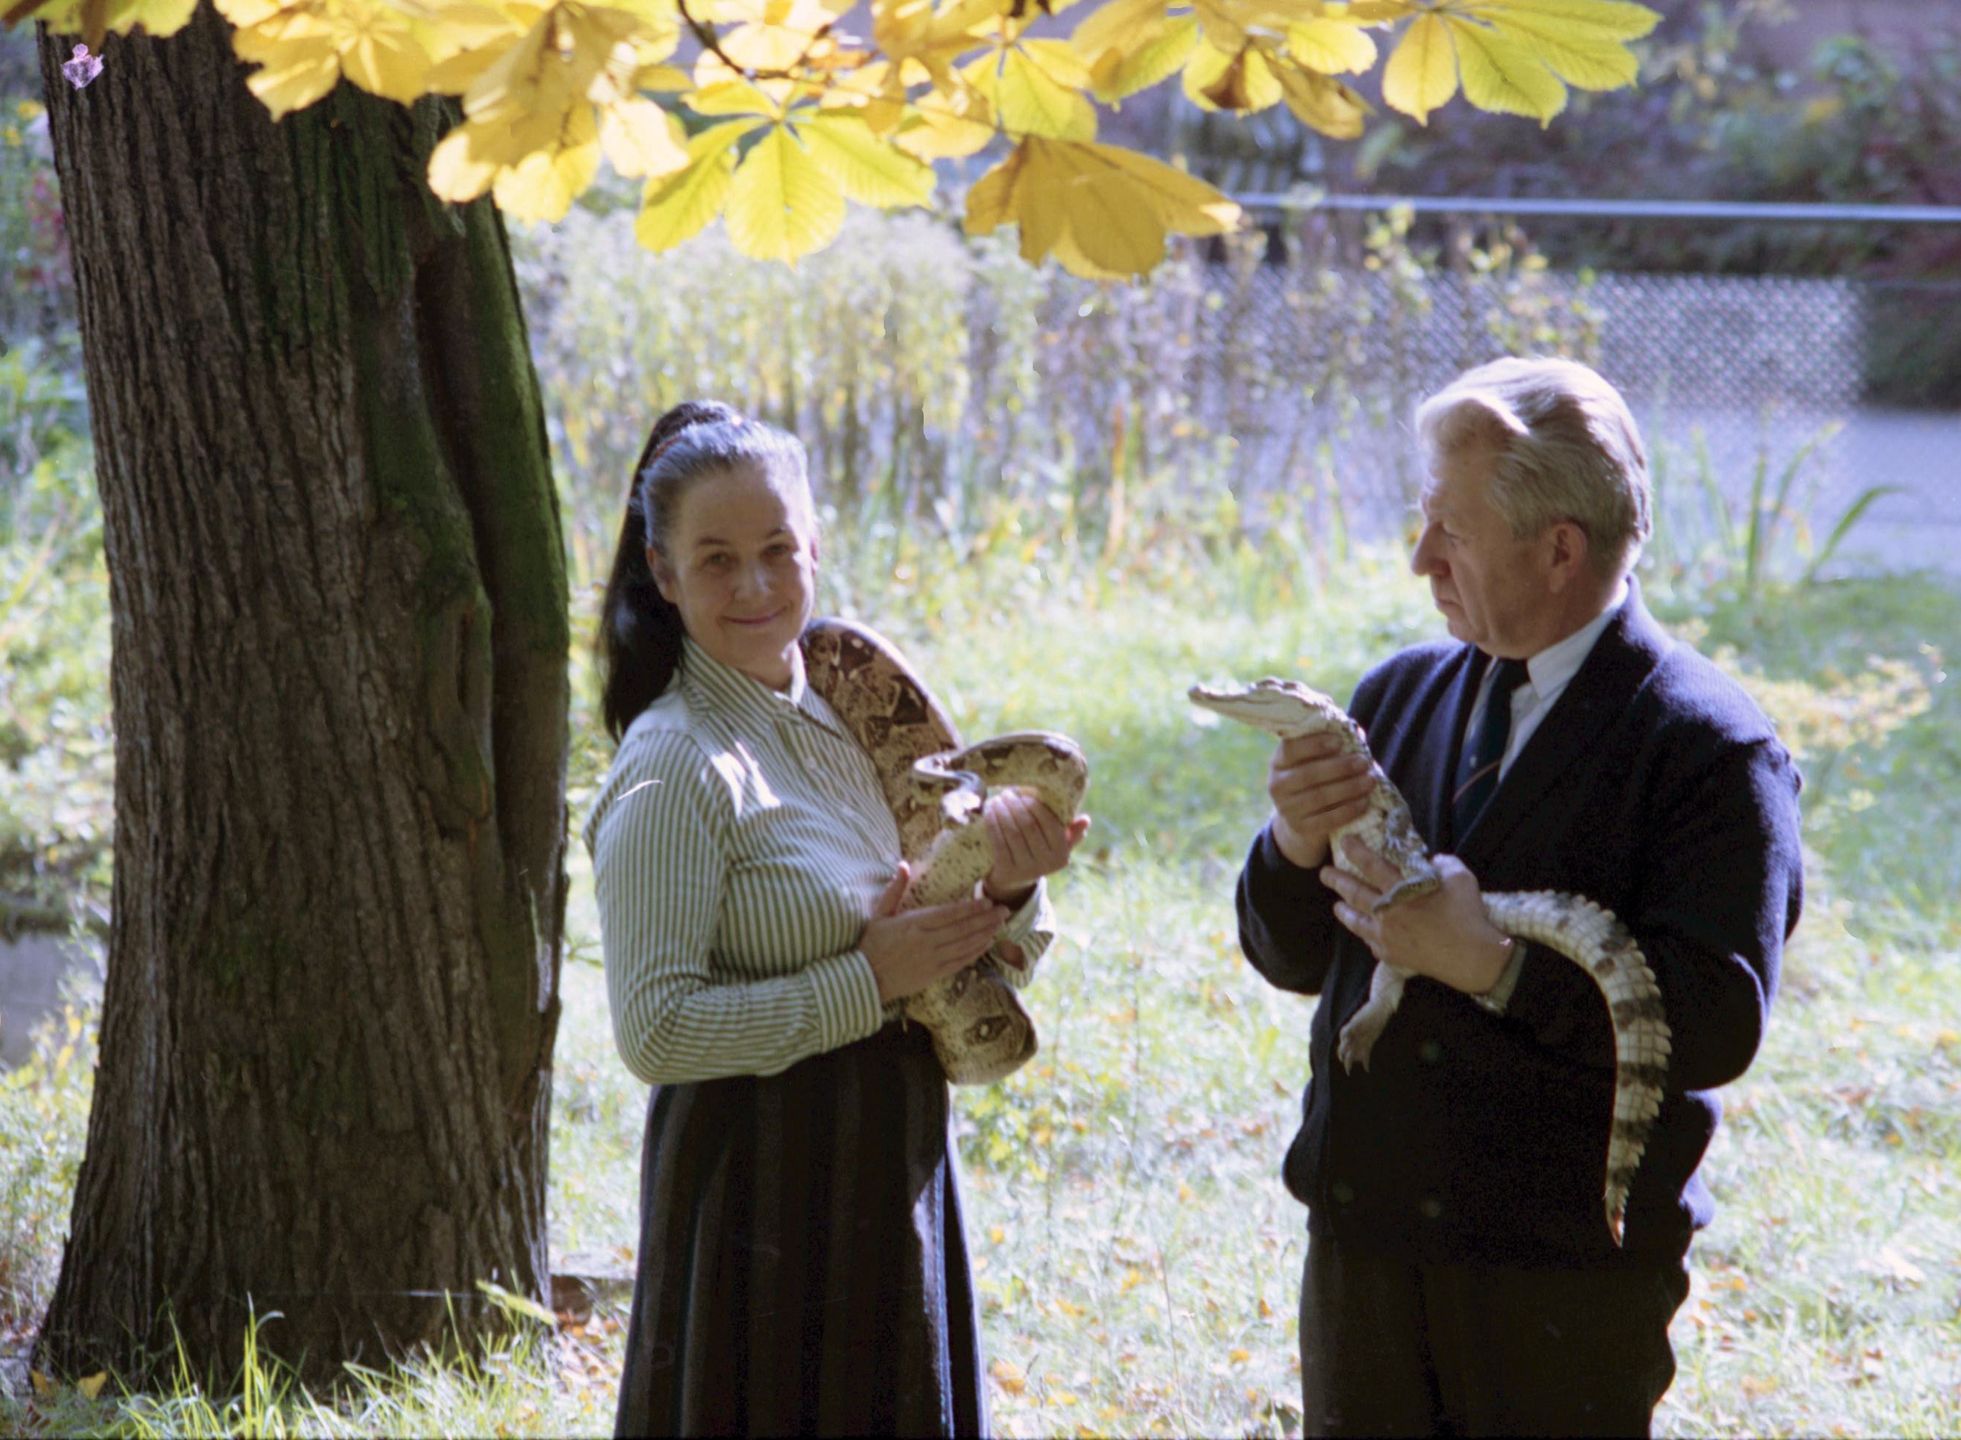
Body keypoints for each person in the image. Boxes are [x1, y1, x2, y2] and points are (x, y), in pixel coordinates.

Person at [1234, 357, 1803, 1437]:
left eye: (1448, 531)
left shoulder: (1707, 747)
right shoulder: (1392, 697)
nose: (1417, 560)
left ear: (1557, 550)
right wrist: (1291, 842)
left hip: (1558, 1281)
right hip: (1365, 1250)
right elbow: (1290, 957)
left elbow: (1716, 1023)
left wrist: (1489, 968)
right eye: (1421, 520)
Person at [584, 401, 1089, 1437]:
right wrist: (870, 979)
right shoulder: (672, 765)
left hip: (885, 1163)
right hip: (755, 1197)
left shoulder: (843, 716)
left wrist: (1004, 892)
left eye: (777, 549)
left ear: (816, 545)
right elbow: (655, 1031)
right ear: (662, 571)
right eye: (716, 559)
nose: (757, 585)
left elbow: (926, 928)